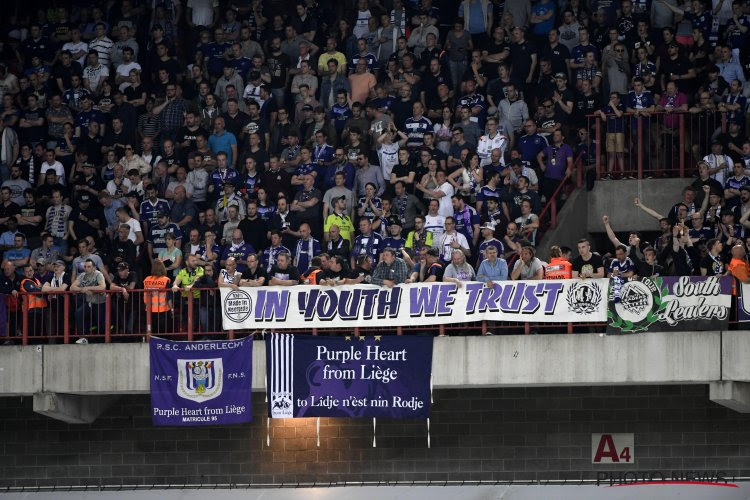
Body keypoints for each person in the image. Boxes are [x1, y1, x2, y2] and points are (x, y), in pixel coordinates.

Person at [69, 258, 106, 339]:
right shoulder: (82, 275)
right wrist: (83, 290)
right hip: (89, 302)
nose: (86, 268)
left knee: (101, 323)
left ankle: (103, 339)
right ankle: (82, 337)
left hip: (100, 302)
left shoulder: (98, 274)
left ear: (94, 267)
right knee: (78, 313)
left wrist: (89, 288)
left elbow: (102, 287)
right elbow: (72, 287)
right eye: (85, 266)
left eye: (89, 266)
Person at [143, 259, 172, 334]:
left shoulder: (147, 279)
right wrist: (172, 309)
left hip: (149, 309)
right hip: (163, 309)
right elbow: (169, 297)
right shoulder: (166, 280)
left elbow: (145, 294)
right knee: (164, 332)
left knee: (153, 332)